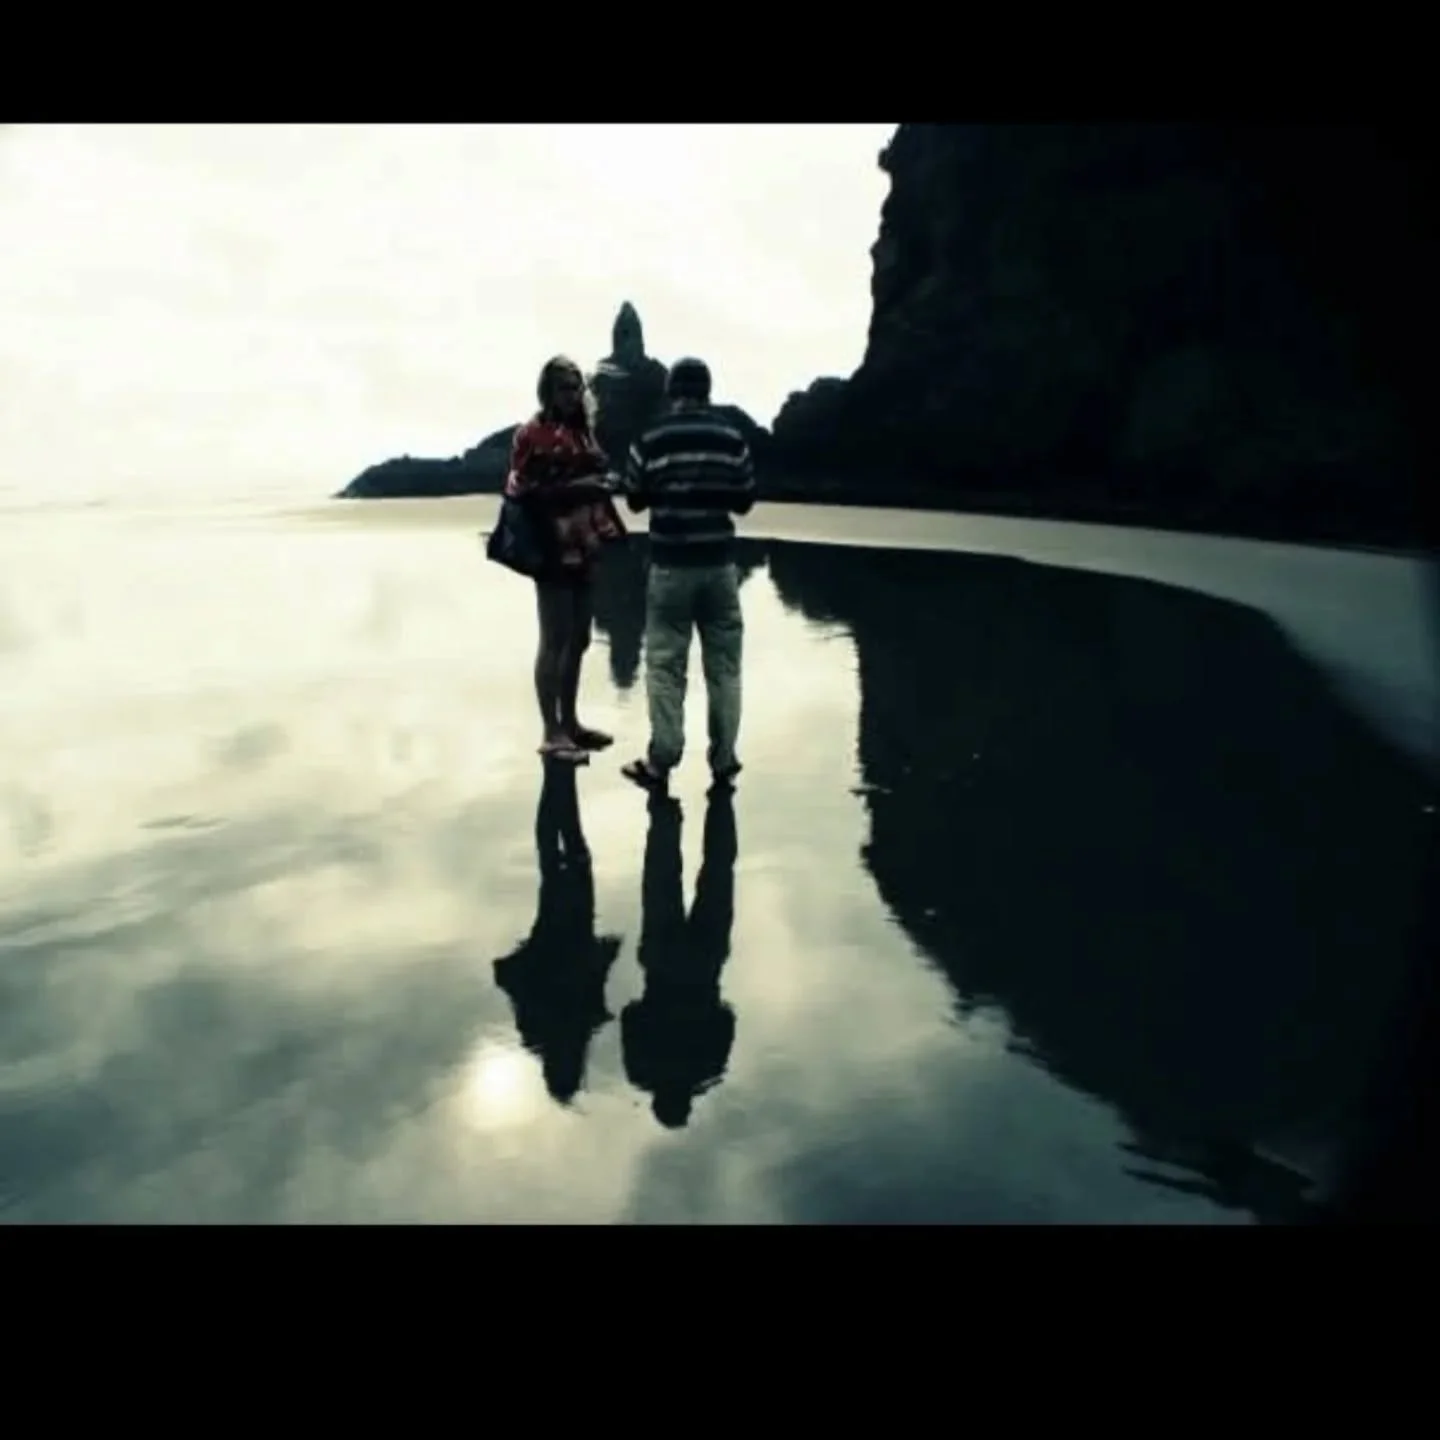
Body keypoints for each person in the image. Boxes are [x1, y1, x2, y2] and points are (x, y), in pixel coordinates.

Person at [618, 357, 756, 793]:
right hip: (719, 567)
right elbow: (745, 500)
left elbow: (635, 500)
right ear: (708, 391)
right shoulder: (731, 438)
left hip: (670, 566)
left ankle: (662, 759)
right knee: (725, 669)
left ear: (670, 391)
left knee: (664, 665)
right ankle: (724, 759)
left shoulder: (651, 437)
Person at [506, 355, 626, 763]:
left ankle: (570, 723)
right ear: (547, 390)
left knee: (579, 637)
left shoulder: (583, 433)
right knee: (554, 638)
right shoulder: (531, 434)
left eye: (577, 387)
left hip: (586, 543)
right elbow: (525, 491)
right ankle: (551, 731)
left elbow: (590, 479)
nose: (573, 394)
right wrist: (585, 485)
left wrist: (603, 484)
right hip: (551, 544)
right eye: (564, 387)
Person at [493, 758, 622, 1105]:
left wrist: (608, 951)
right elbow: (509, 979)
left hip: (569, 932)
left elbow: (596, 973)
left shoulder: (568, 1026)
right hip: (555, 935)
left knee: (571, 858)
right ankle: (558, 776)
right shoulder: (543, 1032)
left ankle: (558, 776)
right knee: (554, 860)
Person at [620, 785, 738, 1128]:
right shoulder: (642, 1070)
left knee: (718, 871)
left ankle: (721, 802)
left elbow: (727, 1018)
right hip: (661, 965)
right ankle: (663, 809)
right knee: (661, 876)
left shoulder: (709, 1069)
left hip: (705, 967)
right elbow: (630, 1016)